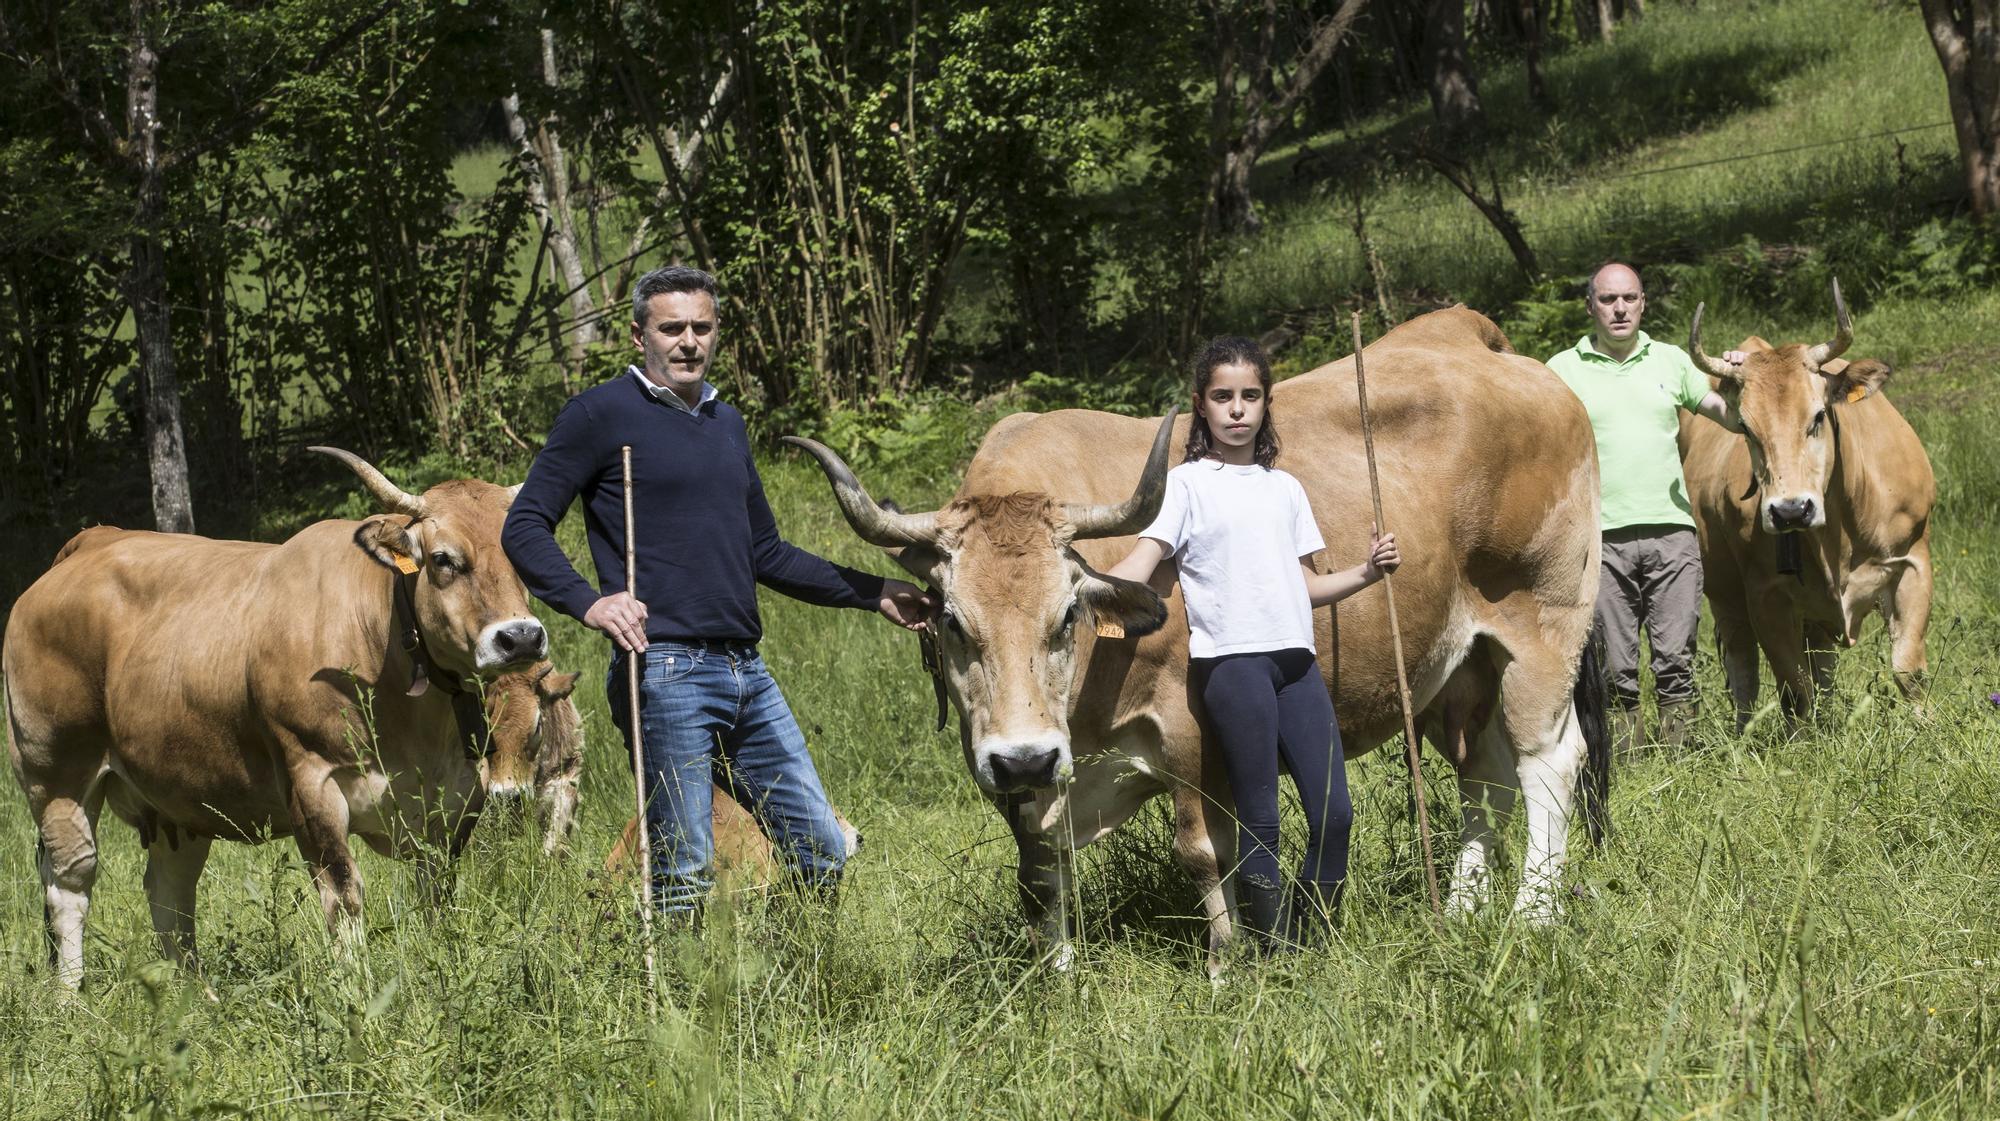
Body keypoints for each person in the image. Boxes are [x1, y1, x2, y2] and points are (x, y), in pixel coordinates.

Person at [501, 265, 931, 922]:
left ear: (717, 331)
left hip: (744, 671)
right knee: (685, 864)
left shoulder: (726, 423)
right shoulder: (599, 415)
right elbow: (525, 523)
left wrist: (875, 593)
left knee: (820, 845)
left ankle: (801, 980)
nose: (688, 342)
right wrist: (591, 602)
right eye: (672, 328)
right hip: (663, 668)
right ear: (639, 333)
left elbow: (766, 552)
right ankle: (683, 1014)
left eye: (701, 327)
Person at [1105, 336, 1400, 951]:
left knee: (1334, 815)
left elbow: (1305, 586)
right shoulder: (1185, 486)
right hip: (1232, 668)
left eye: (1250, 396)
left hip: (1297, 665)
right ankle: (1276, 957)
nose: (1237, 409)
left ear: (1266, 404)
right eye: (1222, 397)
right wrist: (1086, 592)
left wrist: (1369, 572)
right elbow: (1145, 561)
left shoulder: (1283, 488)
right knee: (1261, 822)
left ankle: (1309, 939)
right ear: (1201, 406)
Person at [1547, 262, 1742, 755]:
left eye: (1629, 298)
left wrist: (1742, 379)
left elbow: (1732, 419)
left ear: (1642, 303)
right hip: (1600, 538)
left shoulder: (1672, 361)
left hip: (1672, 534)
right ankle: (1630, 763)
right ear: (1590, 305)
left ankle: (1680, 759)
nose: (1619, 309)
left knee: (1677, 657)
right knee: (1616, 666)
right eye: (1608, 299)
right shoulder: (1562, 370)